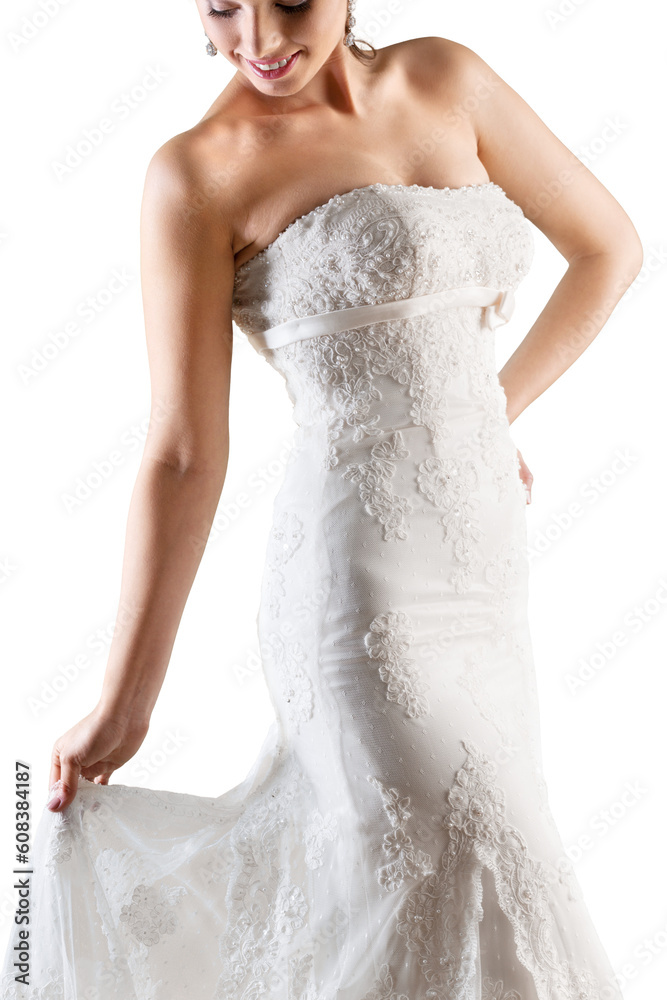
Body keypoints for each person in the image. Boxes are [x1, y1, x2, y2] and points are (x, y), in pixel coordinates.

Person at [2, 1, 642, 997]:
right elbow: (180, 451)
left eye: (287, 0)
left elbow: (609, 247)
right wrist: (125, 699)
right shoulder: (197, 171)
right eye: (221, 7)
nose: (255, 39)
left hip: (482, 571)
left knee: (456, 866)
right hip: (358, 589)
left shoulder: (447, 78)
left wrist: (485, 411)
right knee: (461, 842)